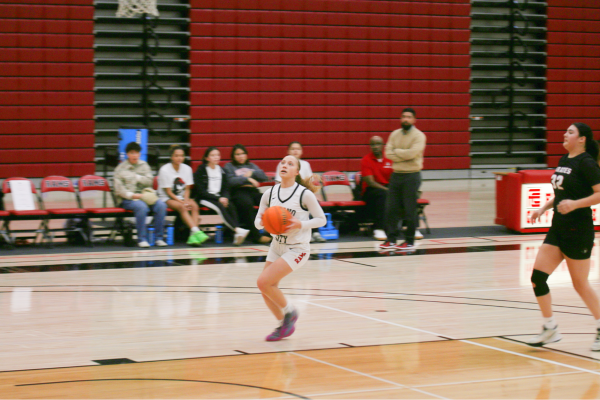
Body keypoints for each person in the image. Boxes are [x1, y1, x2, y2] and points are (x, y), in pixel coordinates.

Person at [526, 123, 600, 350]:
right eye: (565, 130)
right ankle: (550, 328)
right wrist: (543, 208)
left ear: (582, 139)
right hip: (558, 228)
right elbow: (561, 193)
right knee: (538, 278)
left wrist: (575, 205)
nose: (564, 134)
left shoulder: (586, 162)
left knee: (580, 284)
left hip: (579, 230)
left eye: (570, 132)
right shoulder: (564, 160)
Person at [255, 155, 326, 341]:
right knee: (266, 288)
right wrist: (262, 223)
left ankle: (290, 312)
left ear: (296, 172)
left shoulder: (304, 194)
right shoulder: (269, 193)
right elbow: (257, 222)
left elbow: (321, 219)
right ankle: (283, 325)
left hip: (297, 248)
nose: (285, 165)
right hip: (276, 245)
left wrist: (299, 224)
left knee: (263, 282)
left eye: (290, 163)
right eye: (283, 162)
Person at [380, 108, 426, 252]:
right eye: (403, 117)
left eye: (409, 117)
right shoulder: (394, 134)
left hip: (412, 175)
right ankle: (391, 239)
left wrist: (398, 153)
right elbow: (388, 153)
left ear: (414, 120)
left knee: (409, 210)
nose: (405, 119)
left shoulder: (419, 136)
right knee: (390, 209)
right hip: (396, 175)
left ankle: (409, 241)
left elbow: (412, 154)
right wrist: (403, 154)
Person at [114, 142, 167, 248]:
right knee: (141, 207)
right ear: (127, 154)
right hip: (127, 199)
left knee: (161, 205)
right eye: (132, 153)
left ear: (139, 154)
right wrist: (132, 195)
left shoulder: (144, 165)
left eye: (136, 153)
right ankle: (141, 239)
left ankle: (159, 238)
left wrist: (137, 177)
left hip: (144, 196)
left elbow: (150, 182)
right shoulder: (120, 169)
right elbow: (119, 189)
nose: (134, 155)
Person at [193, 147, 250, 245]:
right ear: (207, 158)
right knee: (220, 207)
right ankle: (237, 229)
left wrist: (226, 198)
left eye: (218, 155)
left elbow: (226, 188)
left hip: (219, 197)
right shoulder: (201, 170)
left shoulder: (222, 171)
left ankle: (236, 235)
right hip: (206, 198)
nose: (216, 157)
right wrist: (219, 198)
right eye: (213, 155)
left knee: (231, 206)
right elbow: (201, 191)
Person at [158, 145, 208, 246]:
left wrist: (185, 201)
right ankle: (196, 231)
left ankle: (192, 237)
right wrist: (182, 203)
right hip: (167, 198)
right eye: (176, 156)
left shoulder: (187, 169)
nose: (179, 158)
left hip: (182, 197)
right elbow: (168, 192)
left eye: (181, 156)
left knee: (194, 205)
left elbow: (187, 189)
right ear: (172, 157)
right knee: (182, 207)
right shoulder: (164, 170)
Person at [275, 141, 325, 243]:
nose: (295, 151)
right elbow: (278, 184)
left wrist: (313, 196)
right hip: (287, 195)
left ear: (301, 151)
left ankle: (314, 232)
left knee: (313, 202)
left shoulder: (305, 164)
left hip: (302, 194)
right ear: (288, 151)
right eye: (293, 149)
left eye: (298, 149)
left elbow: (310, 183)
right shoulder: (282, 164)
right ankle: (302, 233)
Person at [224, 144, 271, 244]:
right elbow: (230, 181)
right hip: (238, 192)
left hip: (253, 191)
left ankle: (277, 232)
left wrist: (252, 173)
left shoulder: (251, 166)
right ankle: (256, 236)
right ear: (233, 156)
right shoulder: (229, 166)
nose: (240, 156)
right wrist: (247, 179)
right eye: (237, 154)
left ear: (246, 155)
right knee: (247, 204)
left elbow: (263, 176)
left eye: (243, 153)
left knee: (271, 200)